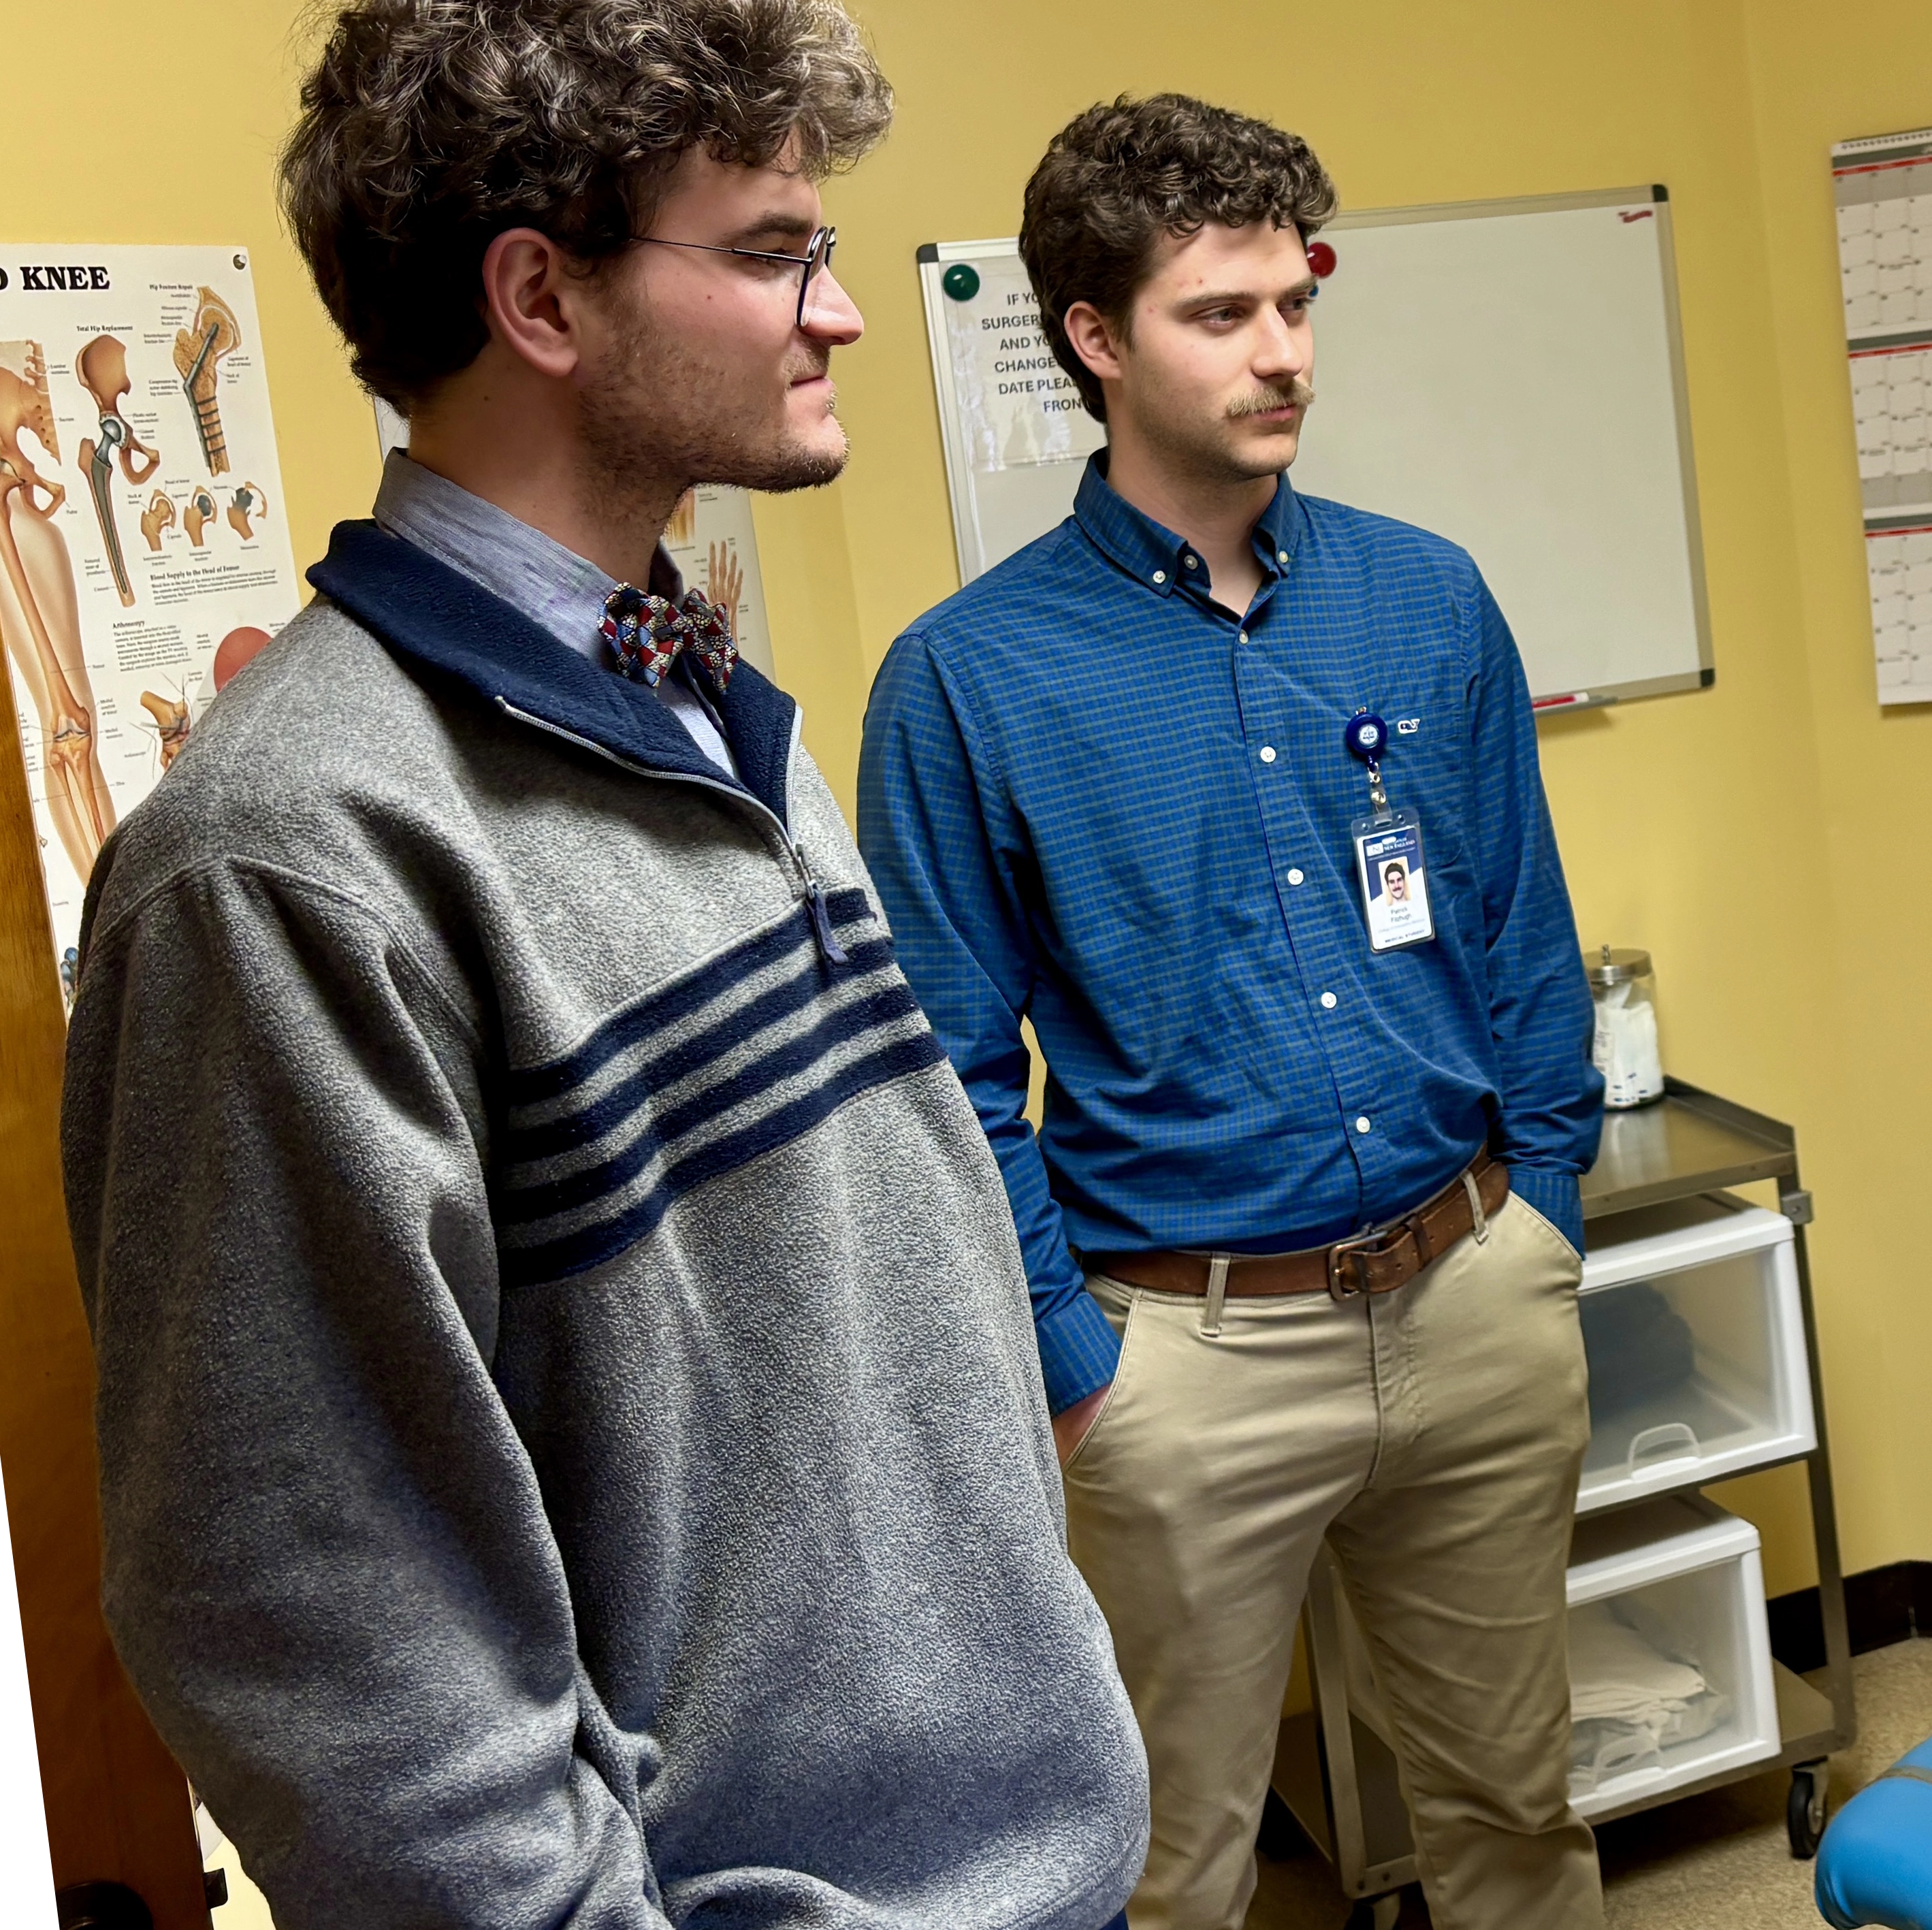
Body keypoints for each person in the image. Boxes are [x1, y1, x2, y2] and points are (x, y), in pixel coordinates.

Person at [61, 3, 1146, 1923]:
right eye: (772, 251)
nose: (839, 312)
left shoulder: (697, 698)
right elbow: (330, 1650)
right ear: (541, 298)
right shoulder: (287, 866)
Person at [858, 95, 1607, 1930]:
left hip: (1473, 1289)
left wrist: (1548, 1211)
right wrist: (1075, 1363)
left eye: (1296, 303)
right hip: (1186, 1361)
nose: (1284, 355)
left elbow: (1517, 926)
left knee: (1517, 1812)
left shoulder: (1426, 597)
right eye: (1221, 314)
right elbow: (947, 1076)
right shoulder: (965, 680)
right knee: (1168, 1871)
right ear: (1095, 339)